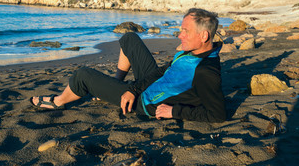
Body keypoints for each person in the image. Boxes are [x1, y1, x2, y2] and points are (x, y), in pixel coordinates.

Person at [30, 8, 226, 122]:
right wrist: (132, 88)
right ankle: (115, 86)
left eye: (185, 31)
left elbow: (217, 114)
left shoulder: (206, 72)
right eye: (180, 29)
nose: (180, 35)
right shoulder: (191, 52)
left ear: (204, 36)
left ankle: (57, 101)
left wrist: (173, 111)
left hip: (147, 102)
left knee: (83, 75)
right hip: (149, 87)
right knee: (130, 38)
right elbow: (161, 72)